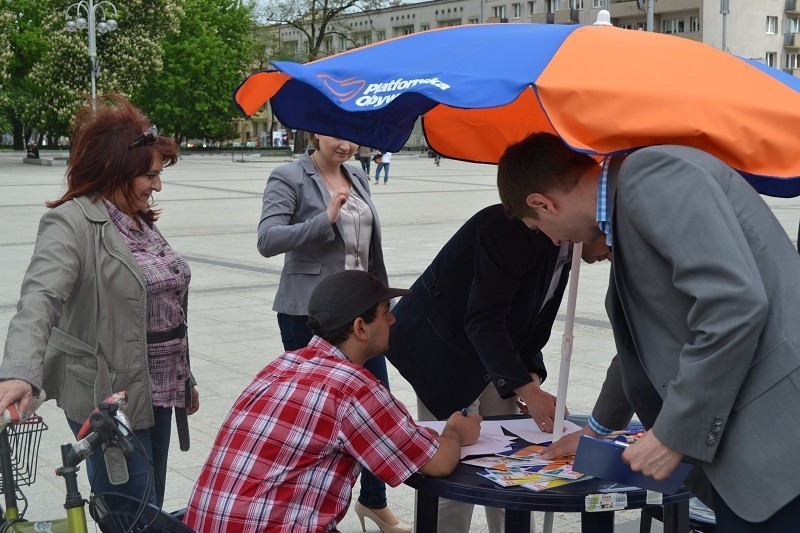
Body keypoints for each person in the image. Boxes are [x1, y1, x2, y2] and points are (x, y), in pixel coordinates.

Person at [496, 132, 800, 530]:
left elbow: (732, 306)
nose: (554, 241)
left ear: (542, 203)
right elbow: (643, 346)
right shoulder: (628, 205)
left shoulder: (651, 176)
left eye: (540, 228)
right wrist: (597, 432)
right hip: (750, 457)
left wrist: (674, 435)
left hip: (776, 445)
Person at [0, 94, 199, 507]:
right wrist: (19, 371)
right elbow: (40, 297)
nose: (158, 186)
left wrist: (185, 380)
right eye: (149, 175)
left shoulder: (138, 221)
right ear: (115, 170)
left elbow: (162, 311)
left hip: (161, 389)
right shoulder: (71, 221)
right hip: (112, 397)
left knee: (150, 506)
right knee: (129, 512)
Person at [183, 270, 481, 532]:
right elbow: (439, 463)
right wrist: (455, 431)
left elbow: (406, 441)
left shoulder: (281, 365)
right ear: (360, 328)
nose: (393, 318)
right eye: (385, 311)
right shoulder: (353, 388)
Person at [386, 203, 611, 533]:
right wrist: (528, 389)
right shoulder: (510, 227)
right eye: (609, 237)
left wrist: (530, 375)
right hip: (444, 349)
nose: (611, 251)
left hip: (491, 352)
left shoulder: (564, 243)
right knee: (454, 461)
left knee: (512, 461)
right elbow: (485, 320)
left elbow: (528, 315)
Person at [256, 132, 407, 530]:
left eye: (352, 138)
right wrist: (325, 219)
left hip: (361, 314)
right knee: (316, 418)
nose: (346, 145)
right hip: (310, 314)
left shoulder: (357, 175)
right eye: (335, 136)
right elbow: (268, 240)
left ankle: (374, 500)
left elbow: (370, 249)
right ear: (313, 133)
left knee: (376, 406)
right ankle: (309, 510)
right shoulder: (288, 176)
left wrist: (384, 305)